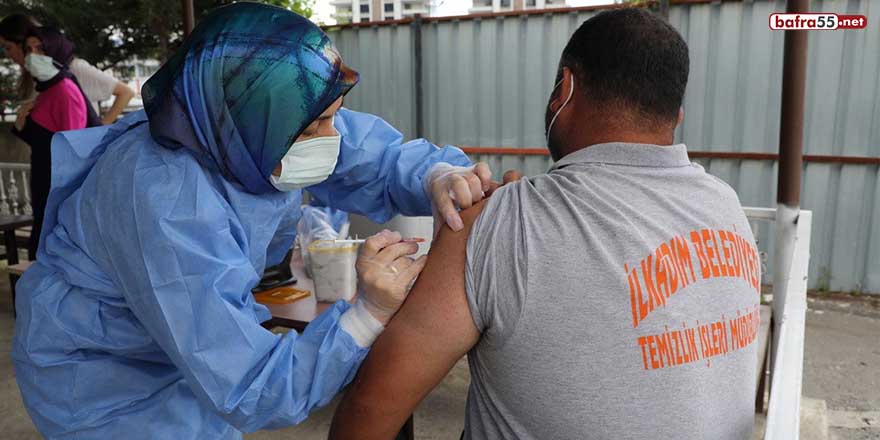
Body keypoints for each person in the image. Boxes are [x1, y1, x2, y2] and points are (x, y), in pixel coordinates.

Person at [12, 3, 497, 439]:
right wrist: (367, 314)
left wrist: (435, 173)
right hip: (108, 384)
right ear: (248, 120)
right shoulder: (166, 203)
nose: (332, 137)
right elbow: (249, 386)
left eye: (333, 116)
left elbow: (366, 153)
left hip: (176, 349)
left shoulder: (234, 122)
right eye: (313, 127)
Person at [330, 9, 761, 440]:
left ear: (565, 89)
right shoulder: (725, 204)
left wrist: (500, 224)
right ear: (677, 114)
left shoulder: (500, 221)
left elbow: (372, 410)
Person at [10, 26, 101, 255]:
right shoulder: (47, 91)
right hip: (45, 189)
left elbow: (73, 149)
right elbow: (46, 143)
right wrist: (21, 126)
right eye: (28, 49)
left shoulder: (64, 90)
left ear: (55, 49)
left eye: (40, 48)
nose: (34, 55)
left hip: (60, 196)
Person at [0, 14, 136, 125]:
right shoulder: (37, 79)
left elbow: (126, 92)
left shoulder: (74, 68)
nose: (7, 54)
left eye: (8, 47)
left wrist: (99, 133)